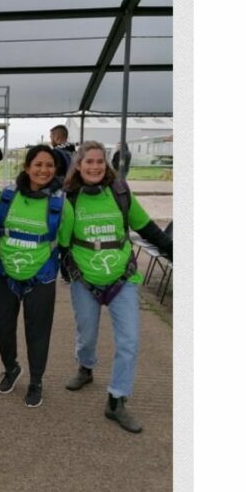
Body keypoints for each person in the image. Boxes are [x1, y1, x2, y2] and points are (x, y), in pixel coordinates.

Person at [58, 141, 173, 433]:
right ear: (79, 165)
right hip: (84, 279)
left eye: (100, 161)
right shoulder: (69, 198)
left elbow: (147, 228)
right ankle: (85, 367)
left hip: (123, 278)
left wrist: (174, 251)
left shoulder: (120, 194)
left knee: (130, 341)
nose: (95, 167)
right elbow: (60, 241)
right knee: (87, 335)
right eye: (89, 162)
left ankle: (117, 399)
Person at [0, 145, 73, 408]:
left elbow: (64, 242)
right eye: (38, 164)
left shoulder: (61, 204)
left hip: (42, 277)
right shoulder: (7, 196)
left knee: (37, 333)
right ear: (27, 167)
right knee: (3, 328)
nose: (43, 170)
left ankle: (36, 380)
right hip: (6, 275)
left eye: (49, 165)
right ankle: (11, 367)